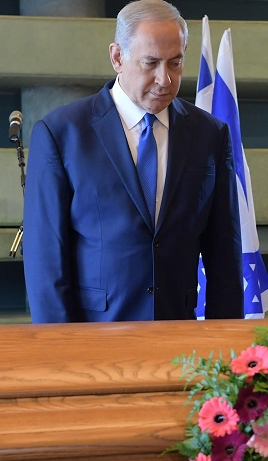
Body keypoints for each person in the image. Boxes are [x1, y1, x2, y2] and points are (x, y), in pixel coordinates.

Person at [23, 0, 243, 323]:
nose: (164, 79)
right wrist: (60, 355)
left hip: (180, 341)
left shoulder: (210, 135)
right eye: (151, 63)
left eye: (175, 63)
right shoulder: (61, 134)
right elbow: (46, 265)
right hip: (94, 342)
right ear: (117, 57)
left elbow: (225, 257)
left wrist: (226, 351)